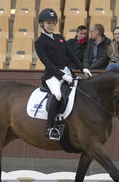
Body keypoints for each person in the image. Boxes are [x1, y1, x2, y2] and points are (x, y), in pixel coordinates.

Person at [35, 8, 92, 140]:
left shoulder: (59, 38)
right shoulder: (40, 42)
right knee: (58, 94)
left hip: (67, 73)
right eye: (48, 23)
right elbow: (47, 63)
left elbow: (71, 55)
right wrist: (61, 76)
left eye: (53, 23)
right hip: (51, 76)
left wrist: (83, 68)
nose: (51, 25)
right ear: (42, 24)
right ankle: (50, 127)